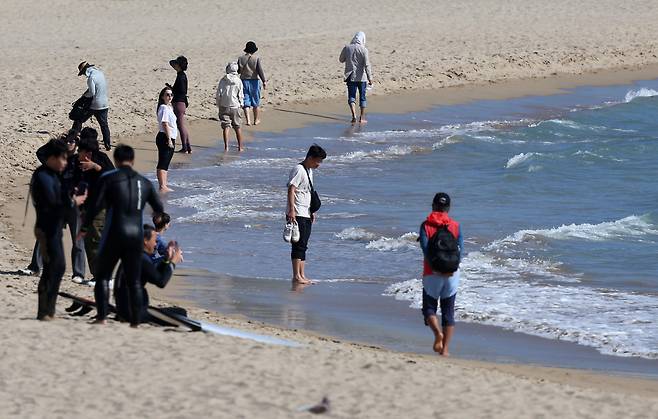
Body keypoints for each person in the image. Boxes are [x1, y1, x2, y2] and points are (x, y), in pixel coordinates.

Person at [79, 144, 164, 326]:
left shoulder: (108, 178)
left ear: (116, 161)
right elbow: (159, 210)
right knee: (133, 281)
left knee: (102, 276)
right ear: (132, 161)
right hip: (136, 235)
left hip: (114, 233)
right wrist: (157, 227)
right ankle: (135, 321)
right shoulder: (144, 182)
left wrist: (85, 227)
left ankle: (101, 318)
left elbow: (95, 205)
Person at [31, 138, 87, 320]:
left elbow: (62, 197)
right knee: (52, 267)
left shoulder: (55, 175)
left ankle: (49, 310)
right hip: (46, 228)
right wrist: (74, 202)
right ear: (52, 158)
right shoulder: (42, 176)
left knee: (57, 267)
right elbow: (53, 204)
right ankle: (44, 311)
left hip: (54, 227)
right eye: (62, 159)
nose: (65, 162)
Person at [418, 193, 463, 356]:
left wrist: (435, 268)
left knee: (429, 308)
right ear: (448, 208)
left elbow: (425, 249)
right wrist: (452, 269)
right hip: (452, 274)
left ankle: (437, 333)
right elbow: (460, 250)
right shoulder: (456, 225)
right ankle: (445, 350)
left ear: (433, 206)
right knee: (448, 311)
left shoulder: (426, 225)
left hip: (432, 273)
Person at [114, 224, 183, 323]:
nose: (156, 245)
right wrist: (173, 263)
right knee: (181, 312)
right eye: (155, 241)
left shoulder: (133, 256)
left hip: (125, 309)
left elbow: (155, 275)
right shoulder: (141, 259)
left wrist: (166, 260)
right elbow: (161, 282)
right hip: (134, 313)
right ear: (145, 241)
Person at [74, 128, 115, 283]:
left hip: (101, 207)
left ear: (89, 152)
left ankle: (103, 276)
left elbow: (113, 176)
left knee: (97, 240)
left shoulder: (101, 158)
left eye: (81, 151)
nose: (79, 154)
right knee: (89, 242)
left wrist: (96, 167)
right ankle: (97, 274)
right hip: (84, 207)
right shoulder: (76, 161)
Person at [286, 144, 326, 285]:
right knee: (298, 245)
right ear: (310, 158)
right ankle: (296, 275)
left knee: (304, 244)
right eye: (318, 161)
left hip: (306, 212)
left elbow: (307, 192)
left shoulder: (309, 171)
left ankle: (302, 274)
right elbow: (292, 189)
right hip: (297, 212)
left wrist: (311, 211)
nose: (319, 164)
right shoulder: (298, 169)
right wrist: (292, 210)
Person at [73, 61, 111, 151]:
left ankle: (73, 138)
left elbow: (92, 93)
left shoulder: (91, 78)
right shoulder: (100, 73)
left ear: (85, 70)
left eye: (83, 73)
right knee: (104, 125)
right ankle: (107, 144)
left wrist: (82, 97)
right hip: (105, 104)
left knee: (79, 119)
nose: (84, 75)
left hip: (94, 105)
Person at [339, 32, 373, 124]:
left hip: (350, 76)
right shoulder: (364, 49)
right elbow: (367, 65)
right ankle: (361, 118)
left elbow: (341, 60)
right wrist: (370, 78)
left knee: (351, 96)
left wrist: (349, 58)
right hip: (362, 77)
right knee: (362, 97)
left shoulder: (347, 48)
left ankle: (354, 116)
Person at [216, 62, 245, 151]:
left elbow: (219, 93)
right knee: (237, 126)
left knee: (226, 126)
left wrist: (219, 104)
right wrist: (241, 104)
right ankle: (240, 147)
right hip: (235, 106)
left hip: (224, 105)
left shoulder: (223, 80)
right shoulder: (238, 80)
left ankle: (226, 146)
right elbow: (240, 94)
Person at [237, 41, 267, 126]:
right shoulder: (256, 59)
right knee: (255, 101)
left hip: (243, 81)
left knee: (246, 101)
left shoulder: (240, 58)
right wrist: (264, 81)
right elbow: (259, 71)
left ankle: (248, 121)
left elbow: (238, 71)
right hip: (254, 81)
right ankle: (256, 120)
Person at [156, 86, 178, 192]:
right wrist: (169, 139)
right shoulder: (164, 108)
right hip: (165, 136)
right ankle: (162, 186)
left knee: (166, 162)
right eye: (167, 95)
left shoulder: (169, 107)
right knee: (163, 162)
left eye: (171, 95)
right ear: (162, 96)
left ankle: (164, 184)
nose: (169, 97)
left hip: (169, 136)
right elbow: (165, 124)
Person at [169, 56, 191, 154]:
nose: (174, 66)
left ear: (179, 65)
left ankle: (185, 147)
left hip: (179, 102)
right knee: (181, 125)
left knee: (180, 125)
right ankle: (187, 147)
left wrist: (173, 90)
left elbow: (182, 90)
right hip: (181, 101)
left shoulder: (181, 76)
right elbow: (171, 62)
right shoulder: (181, 75)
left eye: (176, 64)